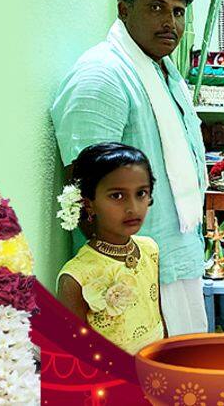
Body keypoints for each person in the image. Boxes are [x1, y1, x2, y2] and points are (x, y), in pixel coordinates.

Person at [51, 0, 208, 336]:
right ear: (124, 9)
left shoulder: (165, 72)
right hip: (128, 281)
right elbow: (84, 191)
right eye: (156, 7)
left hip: (173, 257)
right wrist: (118, 285)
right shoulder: (102, 75)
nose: (170, 21)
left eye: (178, 11)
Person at [56, 143, 166, 354]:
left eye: (141, 193)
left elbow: (158, 319)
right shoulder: (75, 277)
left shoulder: (149, 249)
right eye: (117, 196)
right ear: (89, 204)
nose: (133, 207)